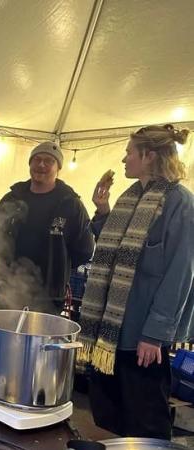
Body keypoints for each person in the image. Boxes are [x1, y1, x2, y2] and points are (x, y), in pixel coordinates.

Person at [78, 124, 194, 440]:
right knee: (108, 419)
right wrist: (102, 213)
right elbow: (115, 254)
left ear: (149, 155)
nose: (124, 159)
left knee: (146, 426)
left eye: (130, 152)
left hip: (141, 340)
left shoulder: (179, 202)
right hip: (107, 334)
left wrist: (155, 335)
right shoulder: (130, 199)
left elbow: (180, 274)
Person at [0, 141, 95, 314]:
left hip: (49, 296)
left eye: (48, 161)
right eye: (36, 159)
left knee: (41, 340)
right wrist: (9, 261)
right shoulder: (12, 198)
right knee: (5, 337)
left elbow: (85, 249)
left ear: (58, 167)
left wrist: (60, 265)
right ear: (29, 164)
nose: (41, 165)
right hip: (8, 288)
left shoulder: (70, 204)